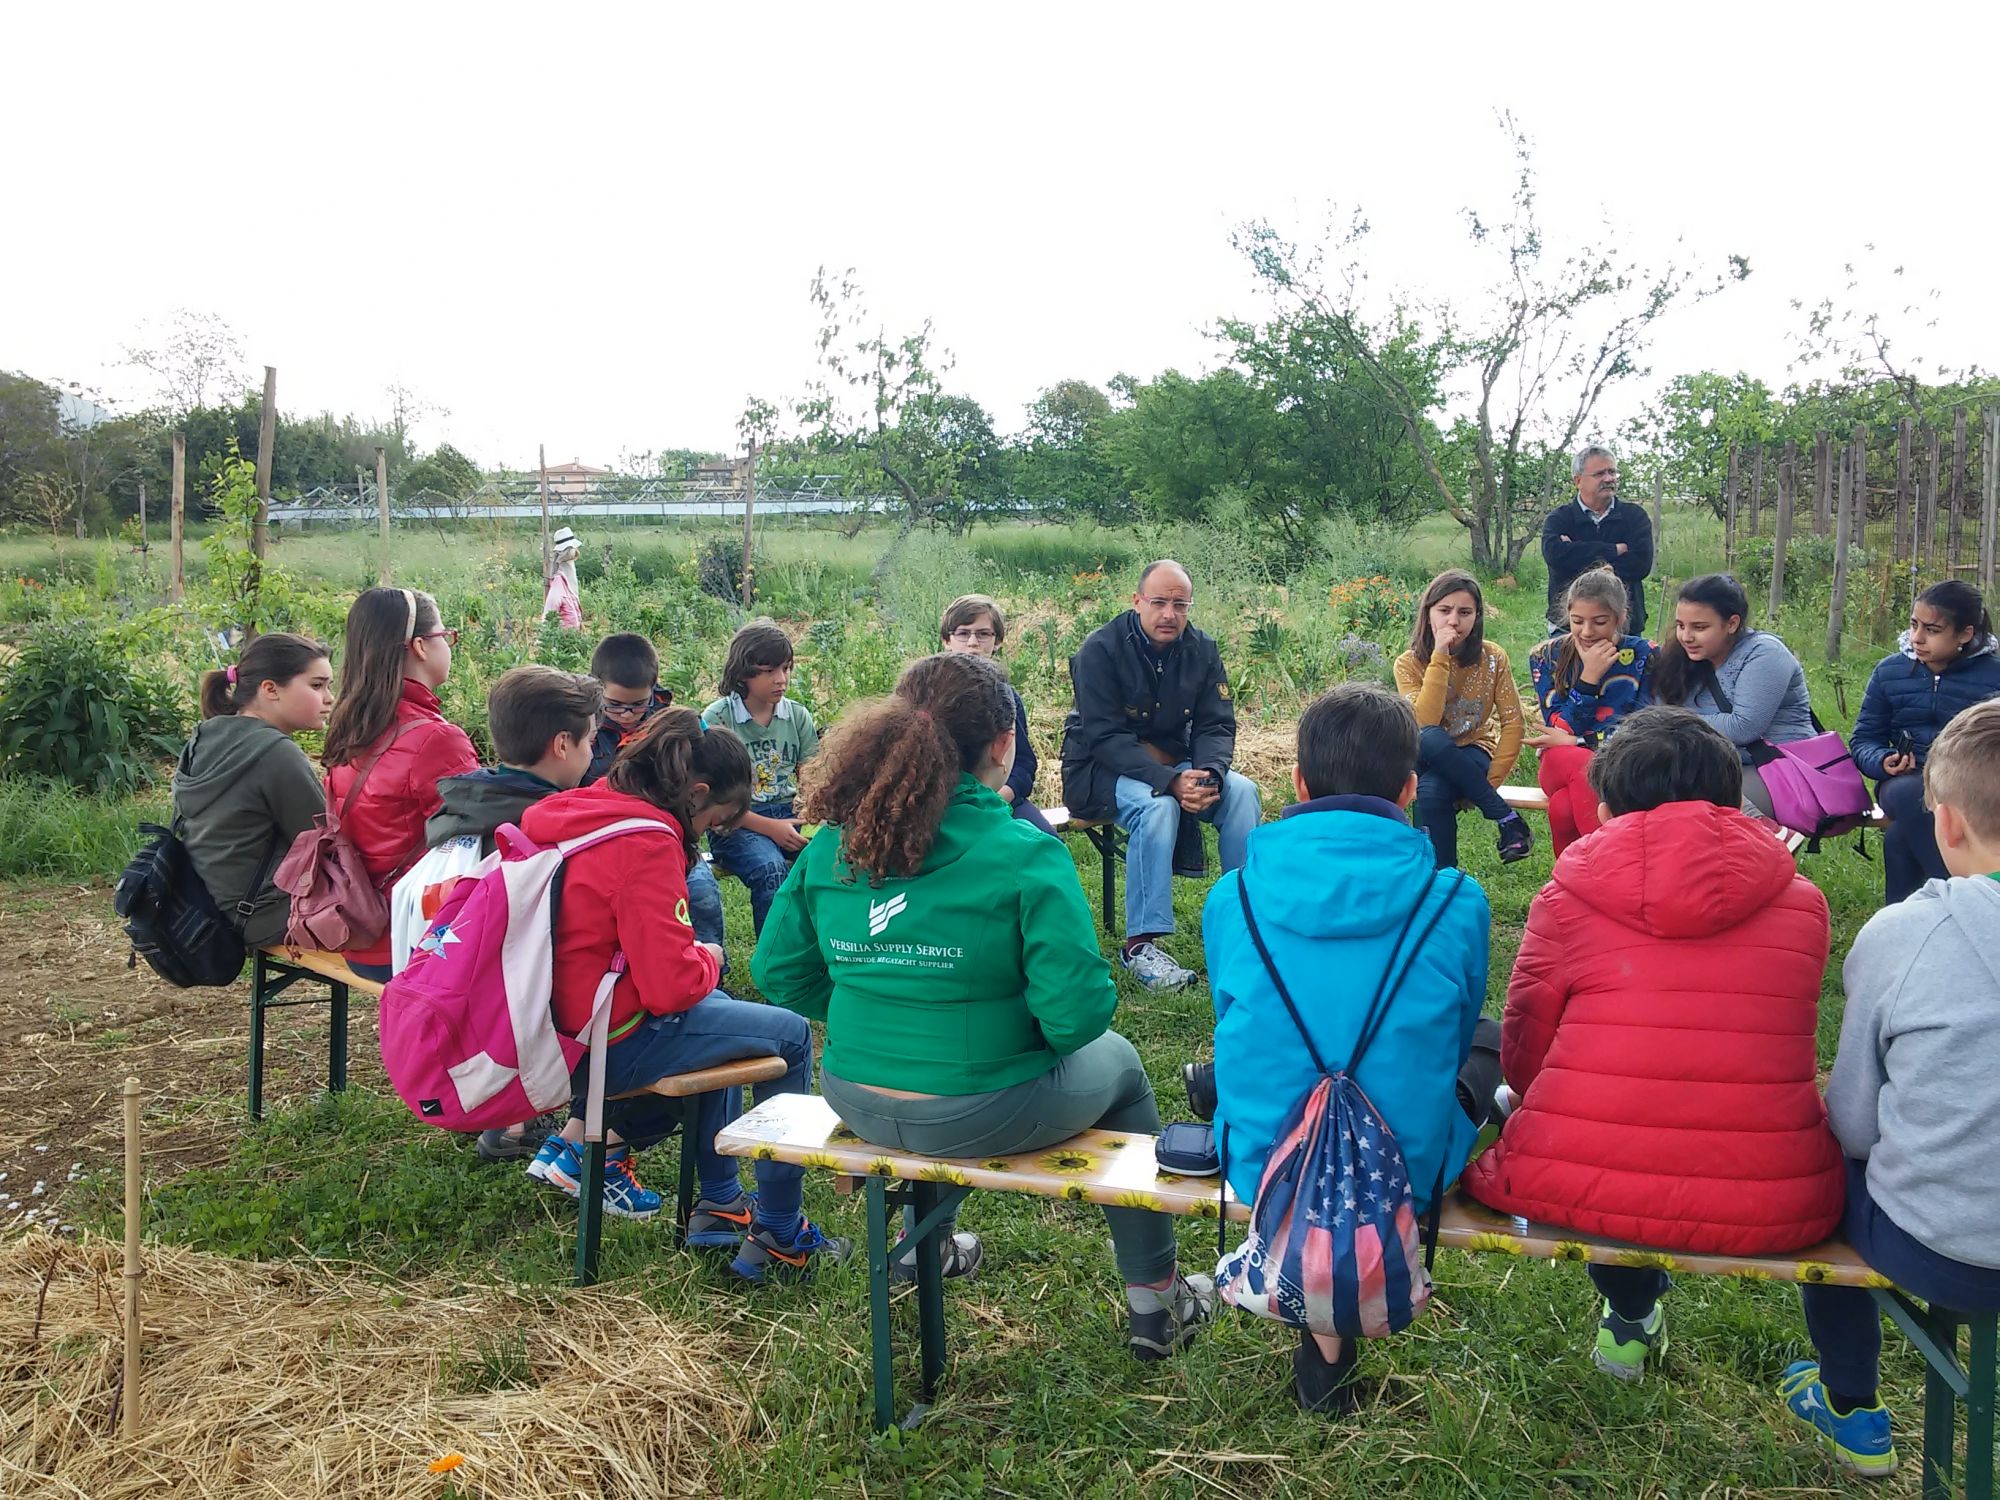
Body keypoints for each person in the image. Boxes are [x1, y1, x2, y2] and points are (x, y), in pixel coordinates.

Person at [755, 652, 1214, 1355]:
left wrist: (873, 998)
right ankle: (1157, 1303)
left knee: (947, 1090)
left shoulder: (834, 846)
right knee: (1120, 1064)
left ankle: (920, 1248)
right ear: (1005, 743)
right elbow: (1077, 1017)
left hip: (854, 1094)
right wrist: (1003, 1038)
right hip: (980, 1105)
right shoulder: (1024, 851)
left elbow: (779, 971)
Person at [1461, 707, 1844, 1383]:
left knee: (1612, 1146)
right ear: (1733, 801)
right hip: (1769, 1187)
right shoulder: (1803, 901)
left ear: (1605, 811)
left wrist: (1524, 1098)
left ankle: (1631, 1316)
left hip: (1571, 1171)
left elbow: (1524, 1050)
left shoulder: (1567, 894)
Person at [1202, 682, 1495, 1413]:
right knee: (1486, 1045)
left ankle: (1323, 1342)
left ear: (1298, 783)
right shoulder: (1455, 900)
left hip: (1263, 1159)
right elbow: (1452, 1043)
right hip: (1405, 1170)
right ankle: (1334, 1324)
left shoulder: (1230, 897)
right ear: (1409, 788)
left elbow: (1234, 1019)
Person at [522, 708, 844, 1274]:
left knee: (720, 1015)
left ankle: (720, 1204)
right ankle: (779, 1229)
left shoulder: (580, 809)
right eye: (716, 822)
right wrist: (709, 957)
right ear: (695, 795)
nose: (710, 834)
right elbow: (671, 988)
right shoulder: (646, 844)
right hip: (608, 1047)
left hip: (554, 1031)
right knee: (789, 1034)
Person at [1779, 699, 2000, 1477]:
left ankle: (1851, 1403)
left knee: (1821, 1171)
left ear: (1944, 826)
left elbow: (1855, 1123)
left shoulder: (1907, 933)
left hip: (1943, 1249)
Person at [413, 665, 599, 1165]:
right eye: (589, 741)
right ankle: (550, 1127)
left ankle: (510, 1117)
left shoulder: (465, 801)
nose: (591, 753)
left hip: (443, 973)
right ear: (562, 744)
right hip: (509, 992)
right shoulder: (549, 824)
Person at [1059, 560, 1262, 991]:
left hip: (1176, 763)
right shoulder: (1100, 650)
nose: (1169, 614)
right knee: (1157, 807)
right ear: (1137, 602)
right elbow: (1104, 736)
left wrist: (1208, 773)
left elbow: (1216, 724)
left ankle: (1243, 920)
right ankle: (1141, 948)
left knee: (1241, 791)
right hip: (1099, 771)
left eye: (1179, 604)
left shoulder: (1202, 650)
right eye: (1159, 602)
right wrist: (1169, 780)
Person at [321, 588, 479, 981]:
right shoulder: (434, 739)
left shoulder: (351, 723)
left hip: (360, 929)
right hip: (416, 941)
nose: (449, 645)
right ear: (421, 647)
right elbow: (476, 842)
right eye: (447, 636)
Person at [173, 633, 333, 948]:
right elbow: (325, 841)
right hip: (261, 916)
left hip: (205, 904)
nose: (330, 697)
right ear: (270, 689)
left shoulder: (206, 734)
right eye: (317, 685)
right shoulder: (274, 752)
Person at [1848, 579, 2000, 904]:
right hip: (1907, 780)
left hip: (1976, 782)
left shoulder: (1994, 675)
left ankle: (1907, 922)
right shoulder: (1890, 672)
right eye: (1914, 625)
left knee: (1899, 838)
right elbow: (1864, 739)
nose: (1917, 638)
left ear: (1965, 634)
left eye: (1932, 629)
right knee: (1911, 795)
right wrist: (1882, 760)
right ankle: (1967, 899)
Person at [584, 632, 725, 949]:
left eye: (638, 705)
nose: (627, 715)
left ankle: (711, 975)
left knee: (701, 892)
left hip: (665, 837)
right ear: (597, 689)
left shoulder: (670, 722)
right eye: (615, 706)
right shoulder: (583, 728)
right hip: (604, 840)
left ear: (654, 690)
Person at [1393, 570, 1531, 870]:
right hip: (1424, 754)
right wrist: (1440, 654)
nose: (1453, 621)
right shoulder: (1408, 663)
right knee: (1428, 737)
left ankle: (1441, 884)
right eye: (1444, 611)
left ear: (1477, 617)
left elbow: (1512, 723)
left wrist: (1488, 783)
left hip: (1473, 752)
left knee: (1430, 791)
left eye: (1464, 612)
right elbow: (1423, 721)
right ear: (1428, 614)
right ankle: (1506, 818)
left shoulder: (1493, 657)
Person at [1652, 573, 1814, 820]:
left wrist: (1672, 723)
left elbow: (1743, 726)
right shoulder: (1680, 658)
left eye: (1700, 627)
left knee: (1696, 807)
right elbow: (1661, 715)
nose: (1686, 636)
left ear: (1732, 623)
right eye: (1681, 625)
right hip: (1711, 765)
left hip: (1777, 767)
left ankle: (1768, 843)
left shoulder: (1764, 654)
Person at [1525, 571, 1655, 855]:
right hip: (1560, 762)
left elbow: (1643, 729)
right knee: (1582, 764)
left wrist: (1578, 743)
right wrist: (1589, 679)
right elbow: (1559, 729)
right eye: (1577, 621)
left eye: (1599, 622)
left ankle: (1570, 882)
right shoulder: (1545, 657)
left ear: (1620, 617)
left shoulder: (1645, 655)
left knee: (1563, 807)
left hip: (1622, 765)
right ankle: (1611, 862)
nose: (1586, 632)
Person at [702, 620, 819, 935]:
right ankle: (774, 959)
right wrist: (770, 827)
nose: (781, 679)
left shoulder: (797, 716)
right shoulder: (718, 719)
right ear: (742, 673)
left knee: (830, 862)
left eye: (786, 668)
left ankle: (819, 952)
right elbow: (714, 799)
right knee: (771, 869)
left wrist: (810, 806)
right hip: (736, 822)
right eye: (769, 671)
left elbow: (811, 773)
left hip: (789, 816)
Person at [939, 593, 1056, 835]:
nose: (973, 643)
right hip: (945, 806)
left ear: (998, 641)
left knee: (1047, 844)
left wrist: (1000, 799)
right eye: (963, 633)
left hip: (1003, 801)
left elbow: (1024, 764)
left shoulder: (1007, 697)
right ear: (946, 640)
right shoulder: (929, 695)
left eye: (983, 634)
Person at [1541, 445, 1653, 634]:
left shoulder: (1634, 517)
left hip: (1624, 628)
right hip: (1569, 628)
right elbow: (1556, 556)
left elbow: (1639, 565)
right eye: (1600, 474)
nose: (1609, 478)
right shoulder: (1559, 519)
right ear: (1578, 480)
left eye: (1612, 472)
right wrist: (1614, 550)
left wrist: (1576, 552)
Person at [542, 525, 583, 629]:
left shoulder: (568, 577)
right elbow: (548, 613)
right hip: (565, 636)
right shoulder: (559, 581)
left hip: (572, 635)